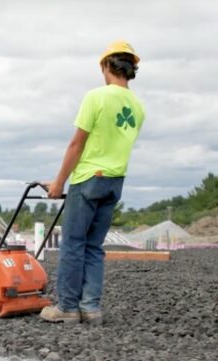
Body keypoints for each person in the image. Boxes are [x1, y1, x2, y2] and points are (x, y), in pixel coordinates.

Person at [40, 40, 145, 325]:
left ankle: (67, 307)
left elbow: (77, 144)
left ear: (106, 65)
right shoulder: (138, 106)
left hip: (89, 178)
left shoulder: (96, 97)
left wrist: (59, 182)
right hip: (114, 181)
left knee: (73, 244)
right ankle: (91, 308)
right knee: (94, 246)